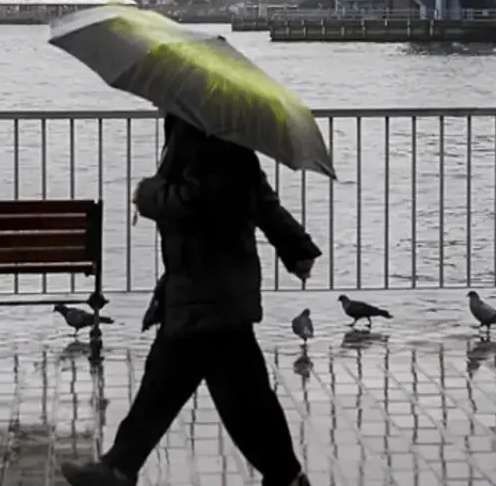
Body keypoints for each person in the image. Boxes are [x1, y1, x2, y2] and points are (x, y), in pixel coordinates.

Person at [61, 115, 320, 486]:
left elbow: (204, 201)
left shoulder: (207, 133)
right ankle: (118, 467)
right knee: (188, 384)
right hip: (204, 285)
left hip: (211, 285)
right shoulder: (212, 129)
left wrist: (150, 196)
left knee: (229, 394)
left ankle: (119, 468)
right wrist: (295, 247)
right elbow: (259, 196)